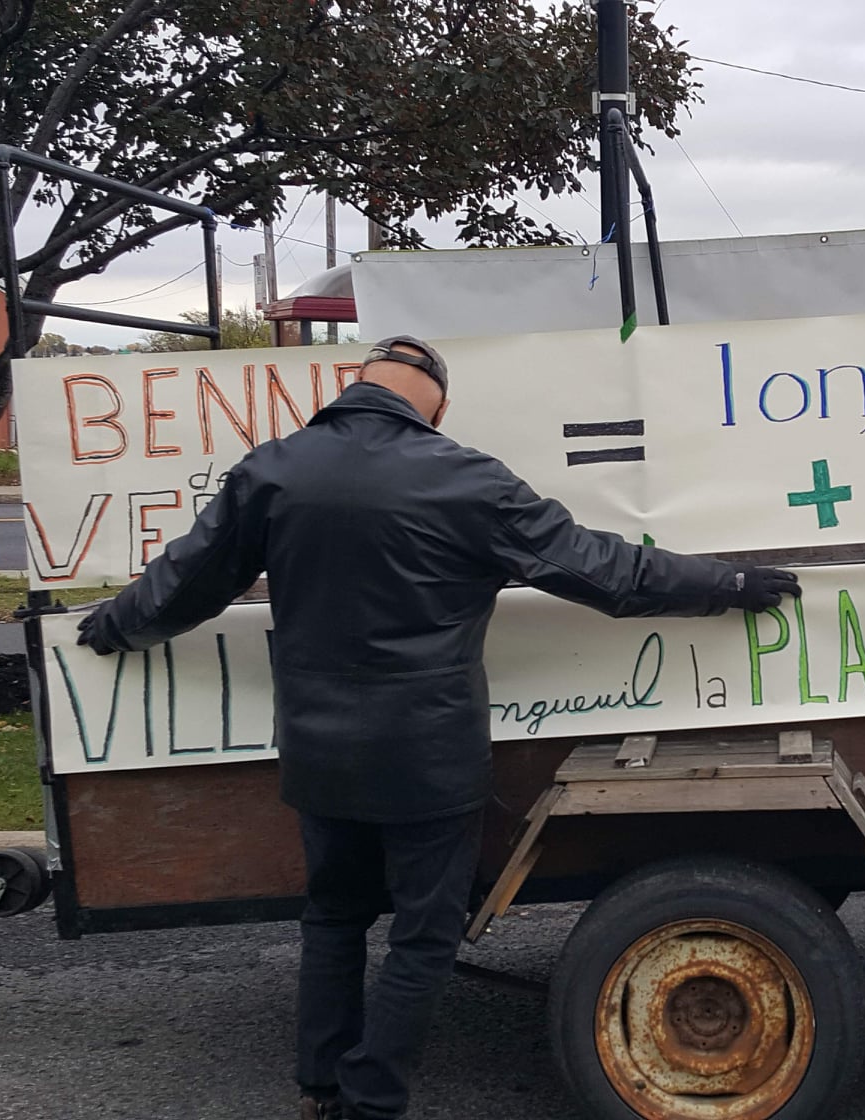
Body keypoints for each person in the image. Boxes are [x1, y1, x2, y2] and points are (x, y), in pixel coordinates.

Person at [74, 336, 801, 1120]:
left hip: (318, 752)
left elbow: (186, 583)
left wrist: (112, 627)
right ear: (437, 408)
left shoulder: (275, 470)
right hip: (427, 757)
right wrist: (729, 582)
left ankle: (322, 1087)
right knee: (421, 938)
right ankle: (372, 1101)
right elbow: (605, 573)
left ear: (354, 388)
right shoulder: (469, 482)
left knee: (334, 916)